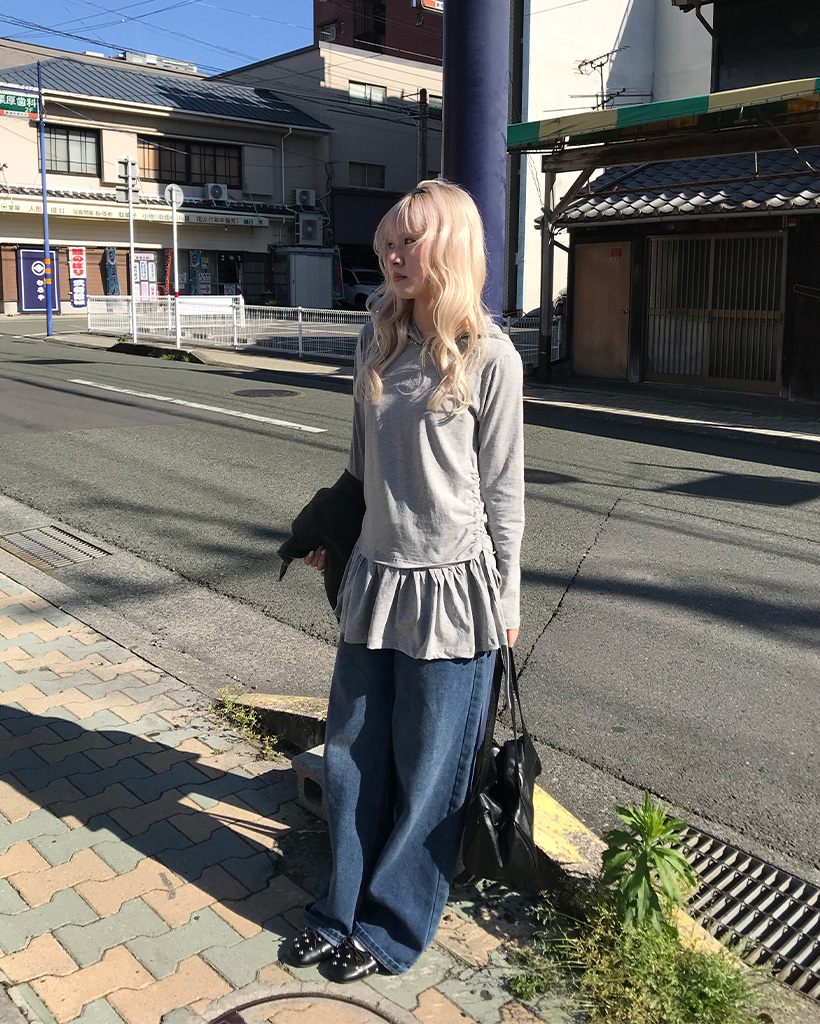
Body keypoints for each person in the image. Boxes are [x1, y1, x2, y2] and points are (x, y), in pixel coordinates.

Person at [282, 179, 525, 983]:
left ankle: (391, 927)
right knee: (353, 757)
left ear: (450, 247)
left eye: (409, 241)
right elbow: (361, 466)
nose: (391, 254)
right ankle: (339, 908)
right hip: (377, 580)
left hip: (455, 593)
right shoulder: (375, 340)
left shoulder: (491, 358)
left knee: (429, 775)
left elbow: (503, 495)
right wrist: (335, 536)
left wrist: (507, 600)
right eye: (387, 241)